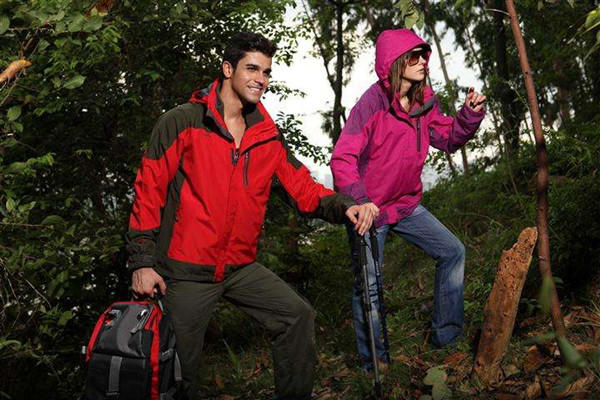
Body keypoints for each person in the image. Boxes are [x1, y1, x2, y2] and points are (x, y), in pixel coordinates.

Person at [126, 32, 378, 400]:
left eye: (266, 72)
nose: (261, 79)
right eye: (252, 69)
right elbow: (148, 192)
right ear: (228, 69)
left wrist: (345, 206)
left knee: (296, 315)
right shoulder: (182, 122)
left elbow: (302, 188)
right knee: (176, 375)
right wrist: (143, 262)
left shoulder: (266, 135)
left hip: (239, 266)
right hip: (185, 270)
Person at [330, 28, 486, 371]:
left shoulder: (424, 101)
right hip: (369, 210)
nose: (422, 62)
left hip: (406, 203)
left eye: (423, 55)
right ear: (395, 63)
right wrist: (359, 200)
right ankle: (376, 364)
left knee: (452, 251)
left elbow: (447, 137)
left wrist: (469, 115)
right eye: (413, 57)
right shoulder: (370, 105)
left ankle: (447, 339)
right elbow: (342, 158)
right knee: (369, 287)